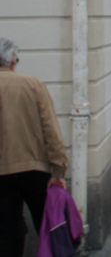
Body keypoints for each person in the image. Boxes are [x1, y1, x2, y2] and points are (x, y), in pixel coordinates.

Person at [0, 38, 69, 257]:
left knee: (7, 232)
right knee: (48, 228)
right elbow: (50, 130)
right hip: (35, 169)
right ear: (12, 59)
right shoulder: (32, 85)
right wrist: (58, 169)